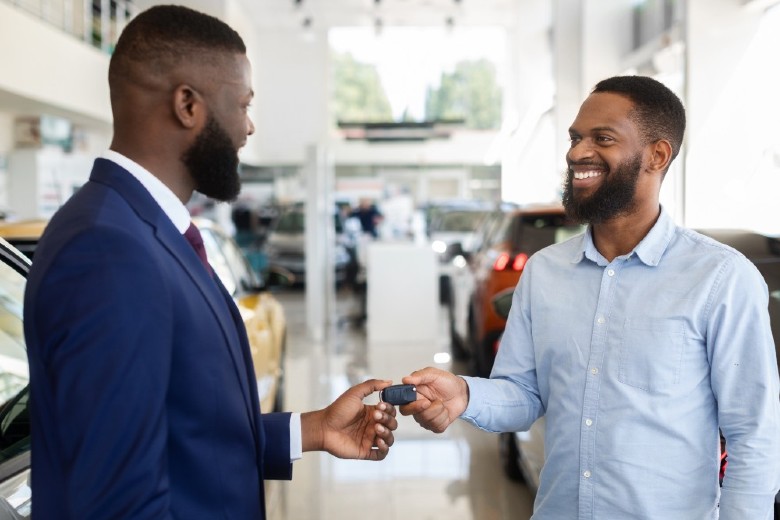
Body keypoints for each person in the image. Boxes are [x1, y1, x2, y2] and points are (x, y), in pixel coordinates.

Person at [23, 6, 397, 519]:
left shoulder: (144, 230)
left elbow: (183, 433)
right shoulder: (107, 251)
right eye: (242, 104)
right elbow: (117, 504)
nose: (248, 127)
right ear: (187, 105)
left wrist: (313, 428)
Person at [400, 75, 780, 519]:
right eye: (576, 138)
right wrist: (464, 395)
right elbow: (524, 393)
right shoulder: (545, 272)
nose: (578, 153)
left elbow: (752, 435)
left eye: (603, 138)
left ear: (657, 155)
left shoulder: (720, 278)